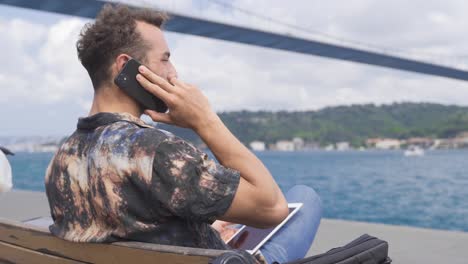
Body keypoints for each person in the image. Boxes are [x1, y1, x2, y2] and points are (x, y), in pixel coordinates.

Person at [44, 4, 322, 263]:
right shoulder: (156, 151)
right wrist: (205, 120)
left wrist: (208, 228)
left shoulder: (61, 159)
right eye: (165, 60)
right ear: (125, 66)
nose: (174, 73)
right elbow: (272, 209)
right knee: (305, 197)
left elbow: (131, 222)